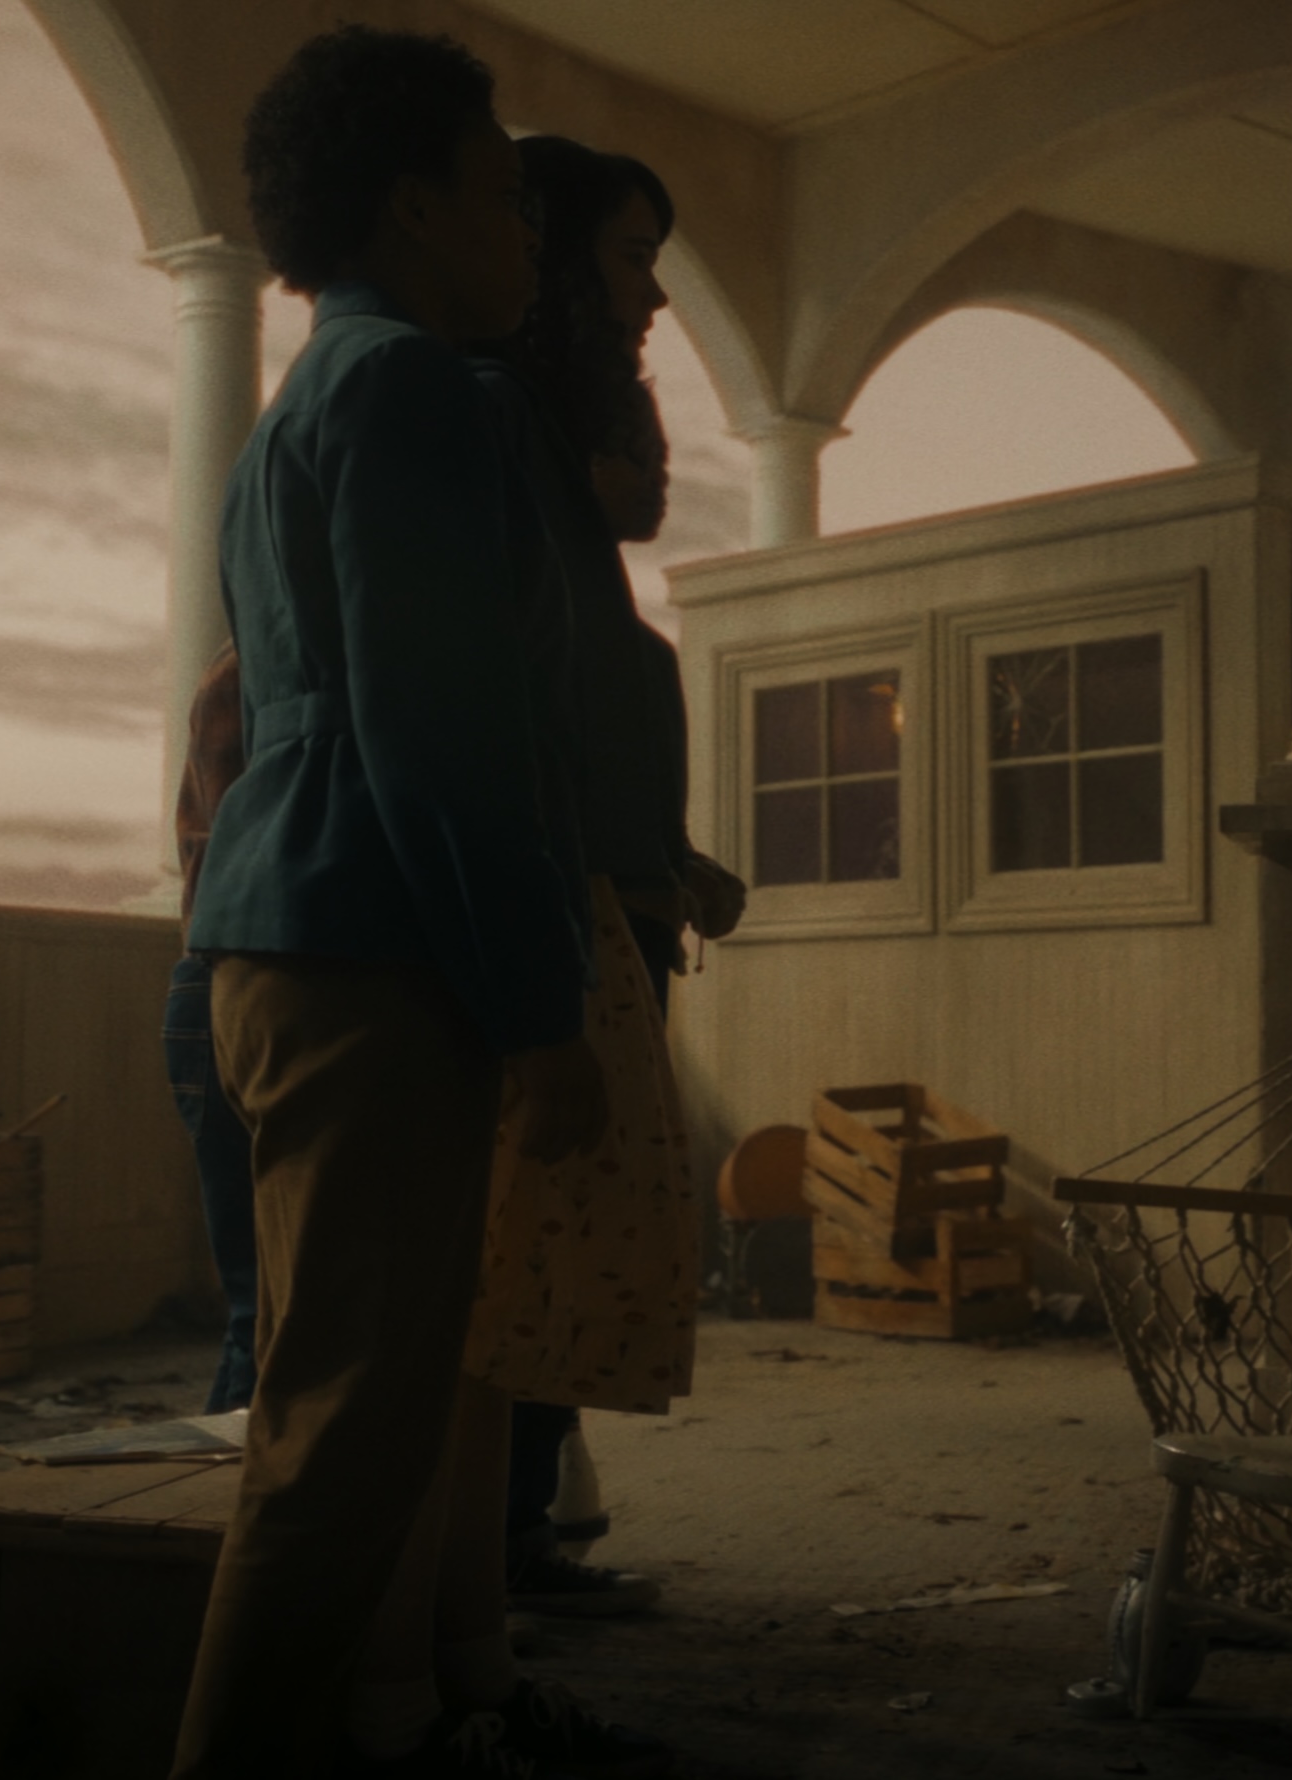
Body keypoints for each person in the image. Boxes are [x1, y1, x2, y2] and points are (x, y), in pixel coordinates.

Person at [171, 27, 631, 1779]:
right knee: (341, 1446)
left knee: (338, 1420)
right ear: (414, 204)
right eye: (503, 191)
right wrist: (539, 1013)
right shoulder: (421, 394)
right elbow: (444, 739)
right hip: (371, 953)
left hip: (287, 935)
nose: (526, 230)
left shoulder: (300, 406)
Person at [478, 136, 749, 1628]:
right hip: (557, 913)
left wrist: (674, 864)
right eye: (633, 258)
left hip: (616, 908)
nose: (654, 298)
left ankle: (519, 1532)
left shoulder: (604, 599)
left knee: (573, 1242)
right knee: (532, 1242)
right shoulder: (490, 431)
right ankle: (492, 1552)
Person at [166, 650, 257, 1417]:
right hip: (246, 979)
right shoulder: (259, 674)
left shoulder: (238, 673)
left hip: (216, 975)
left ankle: (235, 1476)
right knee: (270, 1307)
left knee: (260, 1307)